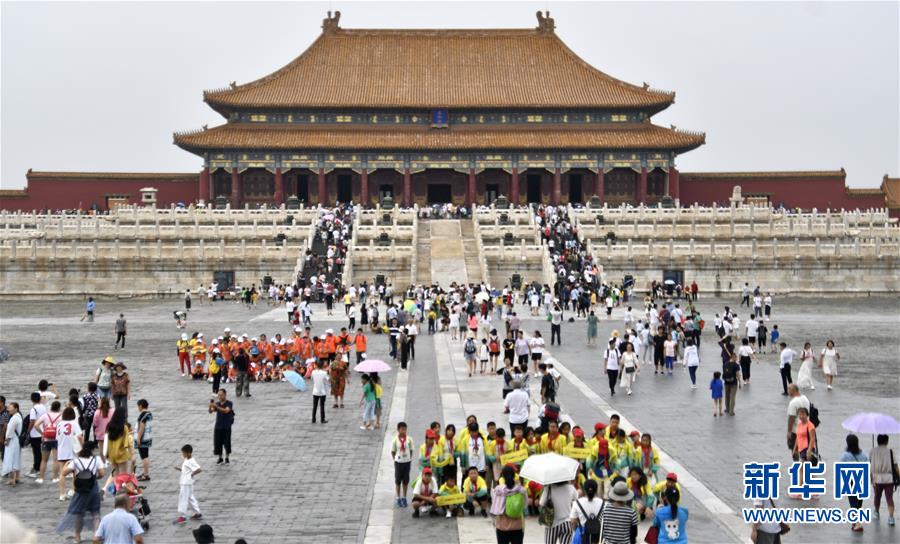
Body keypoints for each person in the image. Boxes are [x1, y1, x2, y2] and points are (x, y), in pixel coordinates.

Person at [58, 444, 105, 543]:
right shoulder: (96, 459)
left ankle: (78, 537)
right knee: (95, 513)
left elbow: (64, 473)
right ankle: (96, 536)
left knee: (79, 514)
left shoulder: (76, 461)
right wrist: (95, 478)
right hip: (93, 489)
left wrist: (66, 465)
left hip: (80, 491)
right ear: (92, 450)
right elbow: (102, 474)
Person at [839, 434, 868, 532]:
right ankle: (855, 522)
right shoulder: (863, 454)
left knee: (853, 503)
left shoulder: (845, 455)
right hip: (862, 480)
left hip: (850, 481)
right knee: (858, 503)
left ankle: (857, 524)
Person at [492, 464, 526, 544]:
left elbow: (495, 507)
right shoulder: (521, 490)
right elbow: (525, 504)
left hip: (502, 526)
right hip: (517, 526)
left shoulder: (498, 490)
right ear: (514, 475)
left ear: (502, 476)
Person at [789, 407, 818, 499]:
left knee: (802, 469)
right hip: (801, 450)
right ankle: (814, 490)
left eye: (803, 414)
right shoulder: (799, 425)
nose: (801, 416)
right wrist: (794, 449)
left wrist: (809, 451)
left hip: (808, 449)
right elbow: (798, 438)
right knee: (808, 470)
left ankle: (800, 489)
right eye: (799, 414)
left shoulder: (810, 425)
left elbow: (812, 439)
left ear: (807, 415)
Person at [869, 434, 897, 526]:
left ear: (877, 441)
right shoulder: (890, 451)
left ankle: (876, 512)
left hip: (876, 478)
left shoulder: (872, 451)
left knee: (877, 496)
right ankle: (891, 518)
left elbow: (870, 462)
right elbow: (895, 466)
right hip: (888, 479)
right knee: (889, 498)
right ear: (886, 441)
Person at [56, 406, 83, 500]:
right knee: (75, 472)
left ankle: (62, 494)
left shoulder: (59, 424)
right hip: (72, 451)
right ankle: (74, 490)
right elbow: (80, 436)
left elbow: (57, 438)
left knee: (62, 473)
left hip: (61, 451)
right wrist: (83, 447)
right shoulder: (74, 423)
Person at [539, 479, 577, 544]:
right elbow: (576, 499)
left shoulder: (549, 488)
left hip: (552, 524)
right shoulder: (571, 488)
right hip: (567, 523)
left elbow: (541, 503)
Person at [34, 399, 62, 485]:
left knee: (44, 460)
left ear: (51, 407)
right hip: (57, 440)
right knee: (55, 460)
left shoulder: (45, 415)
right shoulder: (61, 416)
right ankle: (55, 478)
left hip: (46, 439)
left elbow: (36, 425)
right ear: (59, 408)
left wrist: (42, 433)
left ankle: (41, 478)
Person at [173, 444, 203, 524]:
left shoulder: (191, 461)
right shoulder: (187, 459)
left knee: (183, 497)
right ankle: (197, 513)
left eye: (184, 453)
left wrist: (192, 474)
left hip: (186, 483)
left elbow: (199, 469)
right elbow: (186, 470)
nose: (183, 454)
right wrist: (179, 469)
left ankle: (182, 516)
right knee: (190, 497)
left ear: (189, 453)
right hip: (186, 482)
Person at [569, 479, 604, 544]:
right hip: (598, 536)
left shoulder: (577, 503)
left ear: (584, 490)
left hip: (582, 534)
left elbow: (573, 521)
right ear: (596, 490)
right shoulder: (603, 503)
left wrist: (576, 529)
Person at [103, 410, 133, 479]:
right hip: (121, 454)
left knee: (116, 474)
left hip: (112, 454)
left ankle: (115, 485)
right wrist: (131, 455)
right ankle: (121, 486)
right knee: (123, 475)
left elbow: (106, 440)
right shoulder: (124, 427)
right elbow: (126, 443)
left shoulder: (109, 426)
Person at [391, 422, 413, 508]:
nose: (404, 431)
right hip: (398, 463)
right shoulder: (395, 440)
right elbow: (393, 451)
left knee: (405, 481)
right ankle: (398, 497)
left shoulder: (409, 439)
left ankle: (404, 497)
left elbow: (411, 450)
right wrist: (396, 459)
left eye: (405, 429)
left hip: (407, 462)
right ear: (398, 430)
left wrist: (409, 458)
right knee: (398, 480)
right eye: (402, 429)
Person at [208, 389, 233, 464]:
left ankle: (227, 457)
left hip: (226, 426)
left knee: (227, 442)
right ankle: (220, 457)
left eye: (221, 395)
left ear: (225, 395)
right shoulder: (217, 403)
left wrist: (217, 406)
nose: (219, 397)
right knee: (218, 442)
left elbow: (226, 410)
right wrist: (210, 406)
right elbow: (211, 411)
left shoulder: (229, 403)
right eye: (218, 395)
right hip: (218, 426)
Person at [786, 385, 809, 459]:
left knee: (795, 451)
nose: (788, 391)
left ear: (793, 390)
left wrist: (789, 431)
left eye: (788, 389)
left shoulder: (793, 402)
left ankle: (797, 464)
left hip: (796, 431)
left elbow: (791, 418)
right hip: (806, 429)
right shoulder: (805, 398)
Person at [2, 402, 22, 485]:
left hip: (12, 440)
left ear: (16, 408)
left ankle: (12, 479)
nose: (8, 409)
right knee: (16, 458)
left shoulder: (14, 418)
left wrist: (7, 440)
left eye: (10, 408)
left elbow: (10, 431)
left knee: (11, 458)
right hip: (16, 440)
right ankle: (17, 477)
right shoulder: (18, 416)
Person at [92, 398, 114, 462]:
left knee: (101, 449)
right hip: (110, 433)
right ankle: (109, 460)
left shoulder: (97, 412)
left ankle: (103, 462)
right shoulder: (112, 411)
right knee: (109, 448)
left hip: (100, 433)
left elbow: (95, 423)